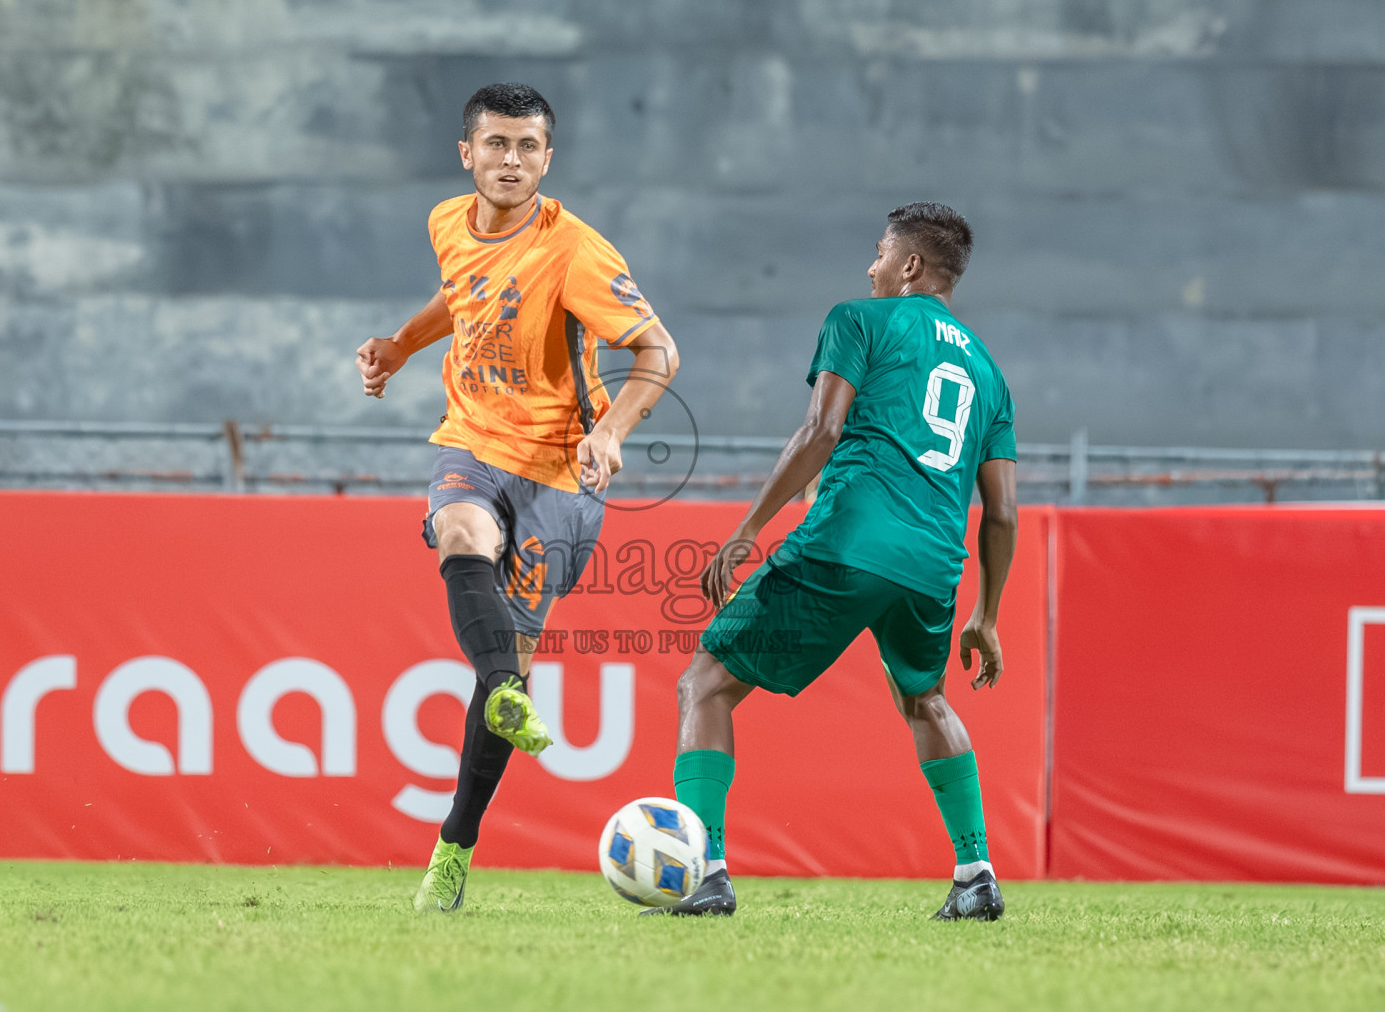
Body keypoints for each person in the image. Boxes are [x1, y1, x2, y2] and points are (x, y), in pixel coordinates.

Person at [355, 83, 679, 912]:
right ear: (467, 154)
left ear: (547, 156)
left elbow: (658, 353)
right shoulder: (444, 221)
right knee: (460, 531)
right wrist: (399, 345)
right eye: (496, 145)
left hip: (561, 472)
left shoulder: (576, 250)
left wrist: (612, 432)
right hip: (472, 442)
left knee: (509, 682)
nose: (511, 160)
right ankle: (503, 684)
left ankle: (453, 849)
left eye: (527, 147)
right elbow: (461, 297)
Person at [655, 202, 1017, 920]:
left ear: (910, 266)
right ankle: (976, 875)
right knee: (925, 698)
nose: (871, 265)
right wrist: (988, 615)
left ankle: (706, 872)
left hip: (848, 542)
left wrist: (749, 527)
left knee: (705, 684)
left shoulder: (859, 319)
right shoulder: (991, 375)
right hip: (933, 567)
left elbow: (821, 430)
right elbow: (1002, 512)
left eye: (881, 252)